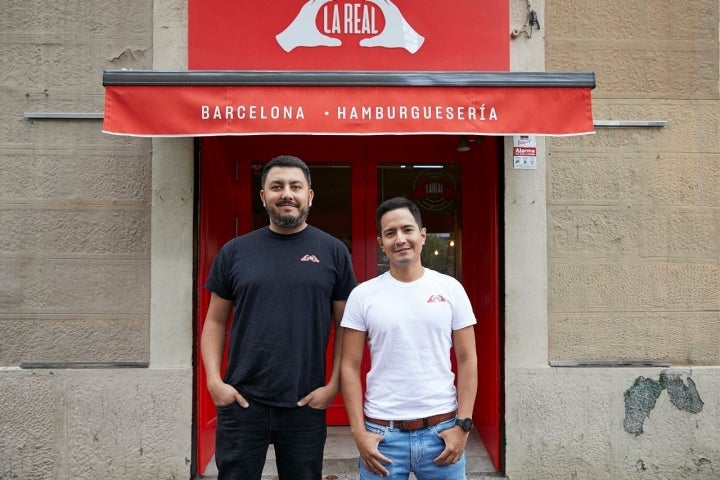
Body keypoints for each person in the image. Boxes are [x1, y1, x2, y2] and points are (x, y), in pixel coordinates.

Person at [201, 155, 357, 480]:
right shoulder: (235, 252)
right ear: (264, 197)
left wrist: (333, 386)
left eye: (295, 186)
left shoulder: (333, 251)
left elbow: (348, 327)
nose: (287, 193)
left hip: (305, 404)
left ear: (309, 196)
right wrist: (215, 382)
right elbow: (214, 322)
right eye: (277, 186)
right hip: (242, 402)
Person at [340, 196, 478, 480]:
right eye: (390, 233)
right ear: (381, 243)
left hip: (443, 432)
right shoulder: (363, 295)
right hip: (382, 436)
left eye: (407, 229)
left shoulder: (450, 289)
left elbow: (468, 359)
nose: (400, 239)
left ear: (422, 235)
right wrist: (358, 433)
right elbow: (349, 366)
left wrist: (463, 426)